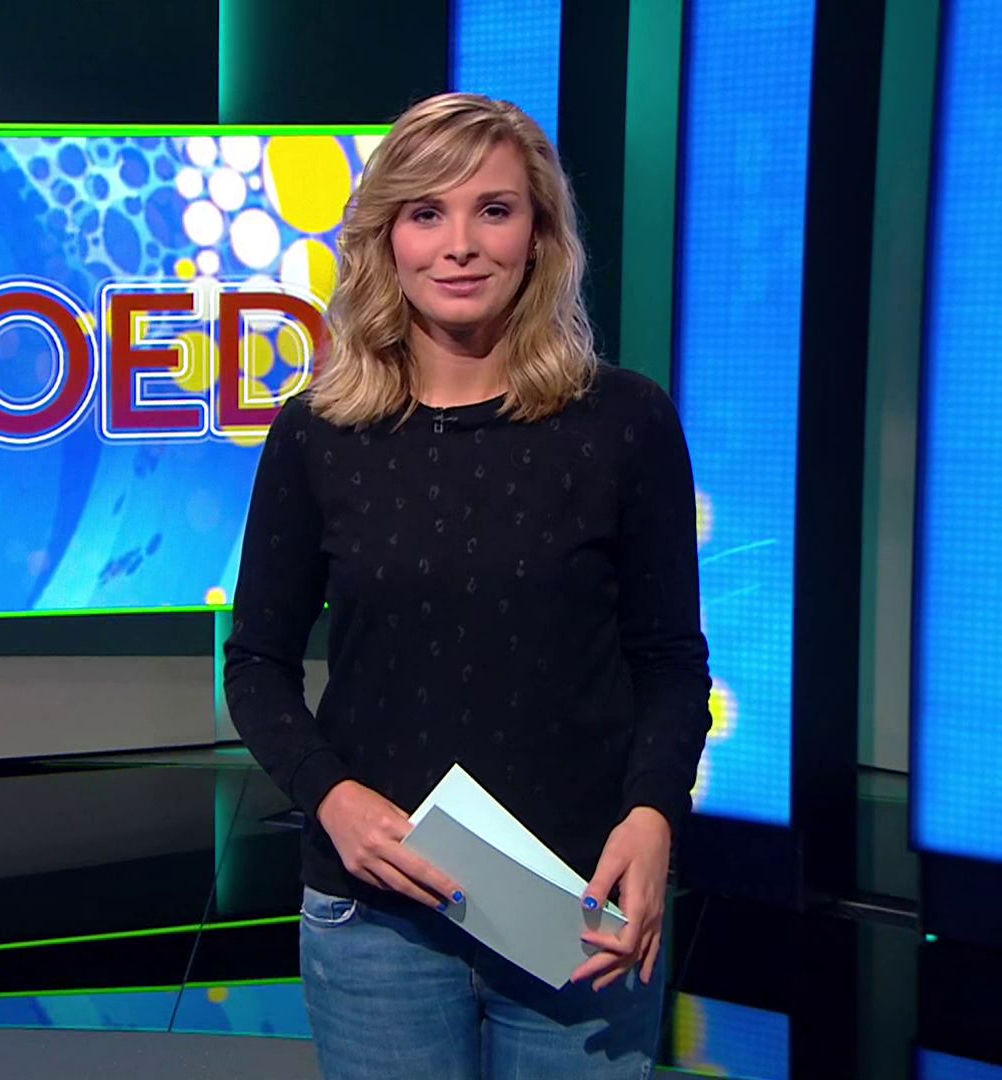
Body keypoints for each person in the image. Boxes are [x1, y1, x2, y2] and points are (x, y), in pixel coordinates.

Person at [223, 92, 711, 1079]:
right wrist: (330, 798)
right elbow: (257, 665)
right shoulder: (319, 433)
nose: (460, 245)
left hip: (579, 906)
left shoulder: (624, 423)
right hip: (377, 919)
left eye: (494, 209)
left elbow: (670, 660)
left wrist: (655, 816)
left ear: (539, 236)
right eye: (426, 212)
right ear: (385, 239)